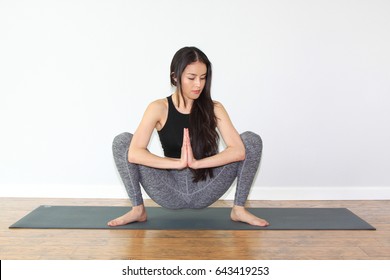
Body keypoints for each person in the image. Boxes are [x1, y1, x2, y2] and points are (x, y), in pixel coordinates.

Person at [108, 46, 269, 227]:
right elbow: (134, 153)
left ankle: (239, 209)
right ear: (175, 77)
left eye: (203, 77)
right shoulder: (158, 108)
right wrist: (178, 164)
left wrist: (197, 163)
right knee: (122, 142)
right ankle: (138, 209)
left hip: (205, 186)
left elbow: (238, 151)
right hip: (169, 188)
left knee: (251, 140)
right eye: (191, 78)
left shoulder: (215, 108)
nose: (198, 84)